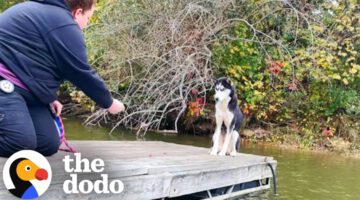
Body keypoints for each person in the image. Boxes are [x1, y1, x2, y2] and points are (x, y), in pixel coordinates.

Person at [0, 0, 125, 157]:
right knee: (19, 142)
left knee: (47, 143)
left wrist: (50, 97)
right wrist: (109, 103)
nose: (86, 25)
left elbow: (34, 63)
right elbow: (80, 72)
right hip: (4, 82)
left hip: (25, 89)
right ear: (78, 12)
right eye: (88, 18)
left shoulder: (49, 17)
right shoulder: (62, 23)